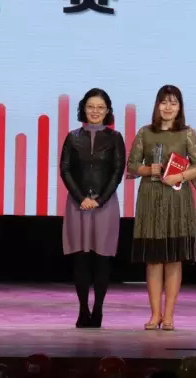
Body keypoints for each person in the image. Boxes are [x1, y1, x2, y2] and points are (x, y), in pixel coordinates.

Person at [126, 84, 196, 331]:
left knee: (173, 259)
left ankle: (169, 315)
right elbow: (132, 165)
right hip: (151, 197)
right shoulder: (145, 133)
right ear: (157, 105)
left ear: (180, 107)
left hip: (176, 199)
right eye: (164, 102)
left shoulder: (187, 134)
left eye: (173, 102)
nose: (168, 107)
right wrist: (148, 169)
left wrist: (178, 177)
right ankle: (155, 315)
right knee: (153, 260)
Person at [60, 88, 126, 328]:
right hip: (77, 205)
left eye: (100, 107)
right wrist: (81, 198)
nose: (95, 111)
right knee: (80, 259)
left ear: (107, 111)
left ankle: (98, 310)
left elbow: (117, 172)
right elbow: (65, 170)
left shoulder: (115, 137)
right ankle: (82, 310)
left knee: (102, 259)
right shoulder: (72, 137)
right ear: (83, 109)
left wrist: (100, 200)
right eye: (90, 106)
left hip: (105, 205)